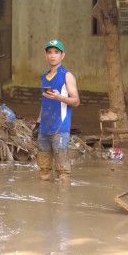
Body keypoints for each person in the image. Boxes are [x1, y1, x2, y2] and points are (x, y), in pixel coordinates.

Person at [36, 39, 80, 184]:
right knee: (44, 169)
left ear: (62, 55)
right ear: (45, 56)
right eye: (49, 52)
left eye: (56, 52)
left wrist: (59, 97)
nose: (52, 55)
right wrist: (38, 122)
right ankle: (47, 203)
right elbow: (45, 102)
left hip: (60, 128)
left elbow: (76, 101)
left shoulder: (66, 75)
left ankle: (62, 203)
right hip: (44, 129)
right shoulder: (44, 77)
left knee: (62, 171)